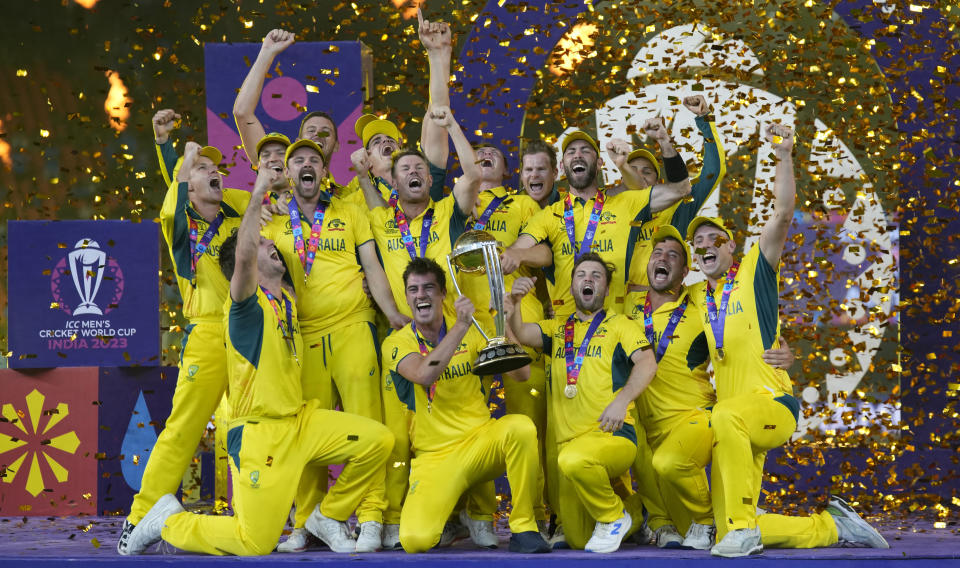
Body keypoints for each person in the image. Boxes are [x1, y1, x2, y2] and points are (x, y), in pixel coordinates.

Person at [117, 161, 394, 557]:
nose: (274, 245)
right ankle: (161, 518)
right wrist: (259, 189)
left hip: (298, 423)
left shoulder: (287, 301)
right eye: (266, 245)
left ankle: (326, 515)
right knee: (255, 542)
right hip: (258, 425)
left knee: (378, 439)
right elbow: (244, 254)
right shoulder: (244, 301)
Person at [687, 124, 888, 557]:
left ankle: (742, 527)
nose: (705, 244)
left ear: (731, 247)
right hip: (734, 426)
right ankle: (831, 527)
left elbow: (781, 212)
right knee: (727, 533)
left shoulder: (754, 269)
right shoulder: (698, 298)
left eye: (714, 238)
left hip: (769, 405)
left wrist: (782, 153)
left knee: (724, 419)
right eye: (697, 240)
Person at [261, 138, 407, 552]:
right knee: (307, 430)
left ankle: (372, 517)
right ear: (289, 174)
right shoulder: (271, 221)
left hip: (352, 324)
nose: (307, 165)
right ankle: (306, 522)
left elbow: (373, 267)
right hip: (302, 337)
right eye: (298, 160)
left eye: (315, 160)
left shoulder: (351, 211)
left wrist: (392, 313)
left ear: (325, 173)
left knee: (369, 423)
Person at [116, 122, 251, 555]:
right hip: (209, 334)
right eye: (202, 168)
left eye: (217, 167)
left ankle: (246, 517)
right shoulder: (179, 223)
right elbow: (174, 185)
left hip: (250, 329)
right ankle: (139, 516)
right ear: (186, 186)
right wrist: (171, 151)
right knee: (182, 430)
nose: (214, 172)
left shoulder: (238, 209)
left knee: (247, 426)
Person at [382, 258, 551, 554]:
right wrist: (459, 327)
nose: (420, 295)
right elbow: (424, 374)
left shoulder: (474, 333)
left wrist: (504, 323)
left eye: (428, 288)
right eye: (413, 289)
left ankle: (524, 527)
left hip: (480, 444)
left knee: (521, 427)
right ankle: (462, 516)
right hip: (436, 458)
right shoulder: (397, 343)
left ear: (443, 294)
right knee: (415, 540)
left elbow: (521, 374)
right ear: (406, 297)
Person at [508, 253, 658, 553]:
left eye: (596, 275)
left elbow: (647, 363)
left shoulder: (621, 326)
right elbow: (523, 333)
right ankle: (636, 511)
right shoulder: (557, 329)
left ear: (605, 288)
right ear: (572, 285)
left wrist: (622, 400)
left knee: (575, 459)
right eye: (581, 275)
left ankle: (614, 518)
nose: (588, 279)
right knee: (576, 539)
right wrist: (512, 305)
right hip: (570, 447)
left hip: (612, 435)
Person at [508, 125, 691, 318]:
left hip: (615, 328)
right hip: (566, 334)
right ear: (562, 167)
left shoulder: (626, 203)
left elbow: (681, 189)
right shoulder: (548, 215)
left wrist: (663, 140)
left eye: (585, 151)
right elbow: (517, 249)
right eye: (571, 152)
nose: (577, 155)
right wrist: (509, 254)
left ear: (599, 164)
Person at [233, 29, 340, 174]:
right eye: (311, 130)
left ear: (336, 146)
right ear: (297, 142)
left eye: (325, 132)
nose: (317, 134)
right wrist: (267, 53)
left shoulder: (348, 194)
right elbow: (242, 113)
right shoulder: (281, 178)